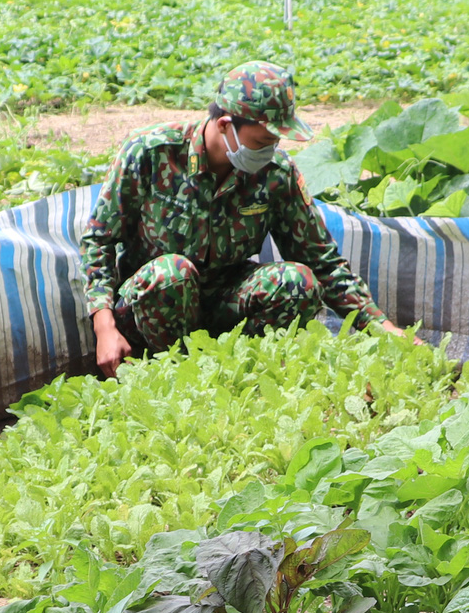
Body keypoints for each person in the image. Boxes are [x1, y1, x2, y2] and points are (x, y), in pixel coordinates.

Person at [82, 62, 398, 377]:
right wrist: (104, 327)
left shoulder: (276, 173)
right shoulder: (151, 152)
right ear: (224, 125)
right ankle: (169, 377)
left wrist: (382, 328)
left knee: (297, 282)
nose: (270, 151)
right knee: (172, 273)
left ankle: (243, 373)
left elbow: (320, 261)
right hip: (152, 306)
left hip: (225, 302)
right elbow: (99, 241)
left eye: (275, 142)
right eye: (261, 143)